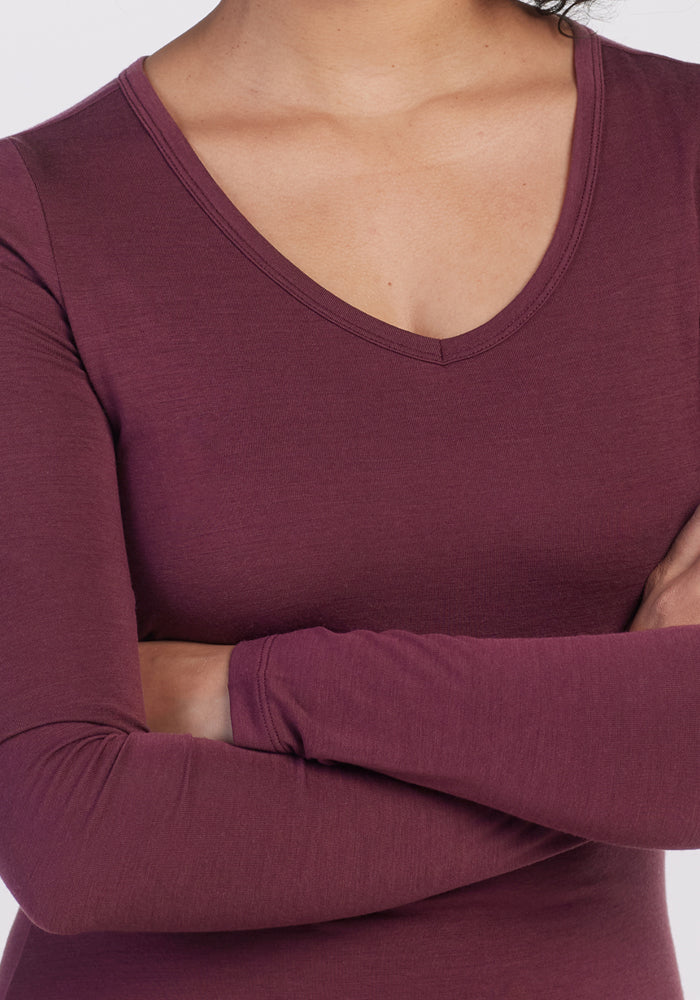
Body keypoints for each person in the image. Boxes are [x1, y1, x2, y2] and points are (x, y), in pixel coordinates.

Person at [0, 0, 699, 997]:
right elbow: (74, 839)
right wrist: (615, 754)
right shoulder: (35, 219)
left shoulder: (682, 158)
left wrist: (243, 693)